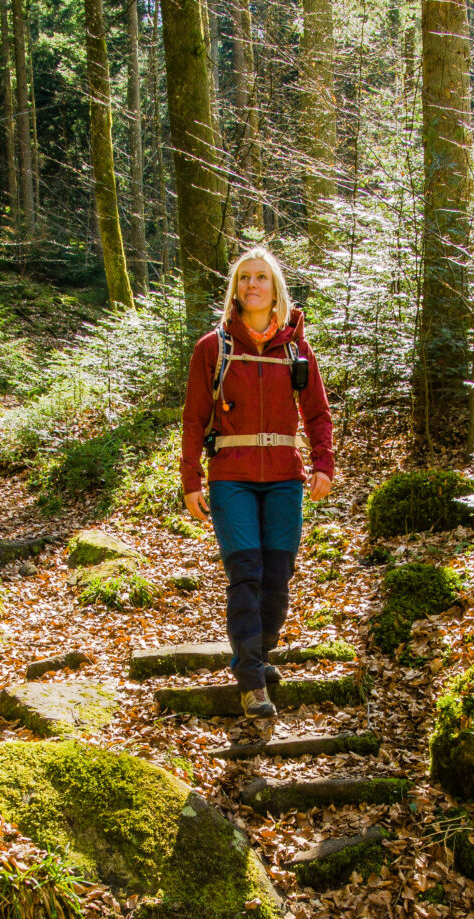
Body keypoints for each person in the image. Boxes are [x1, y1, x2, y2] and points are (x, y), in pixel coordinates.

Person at [180, 247, 336, 719]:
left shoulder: (296, 349)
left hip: (286, 478)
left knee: (277, 578)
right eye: (244, 278)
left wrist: (323, 463)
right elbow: (193, 419)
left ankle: (259, 655)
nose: (252, 285)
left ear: (275, 290)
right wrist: (191, 480)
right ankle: (251, 681)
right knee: (245, 575)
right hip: (232, 480)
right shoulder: (214, 347)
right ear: (235, 289)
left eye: (261, 278)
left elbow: (317, 412)